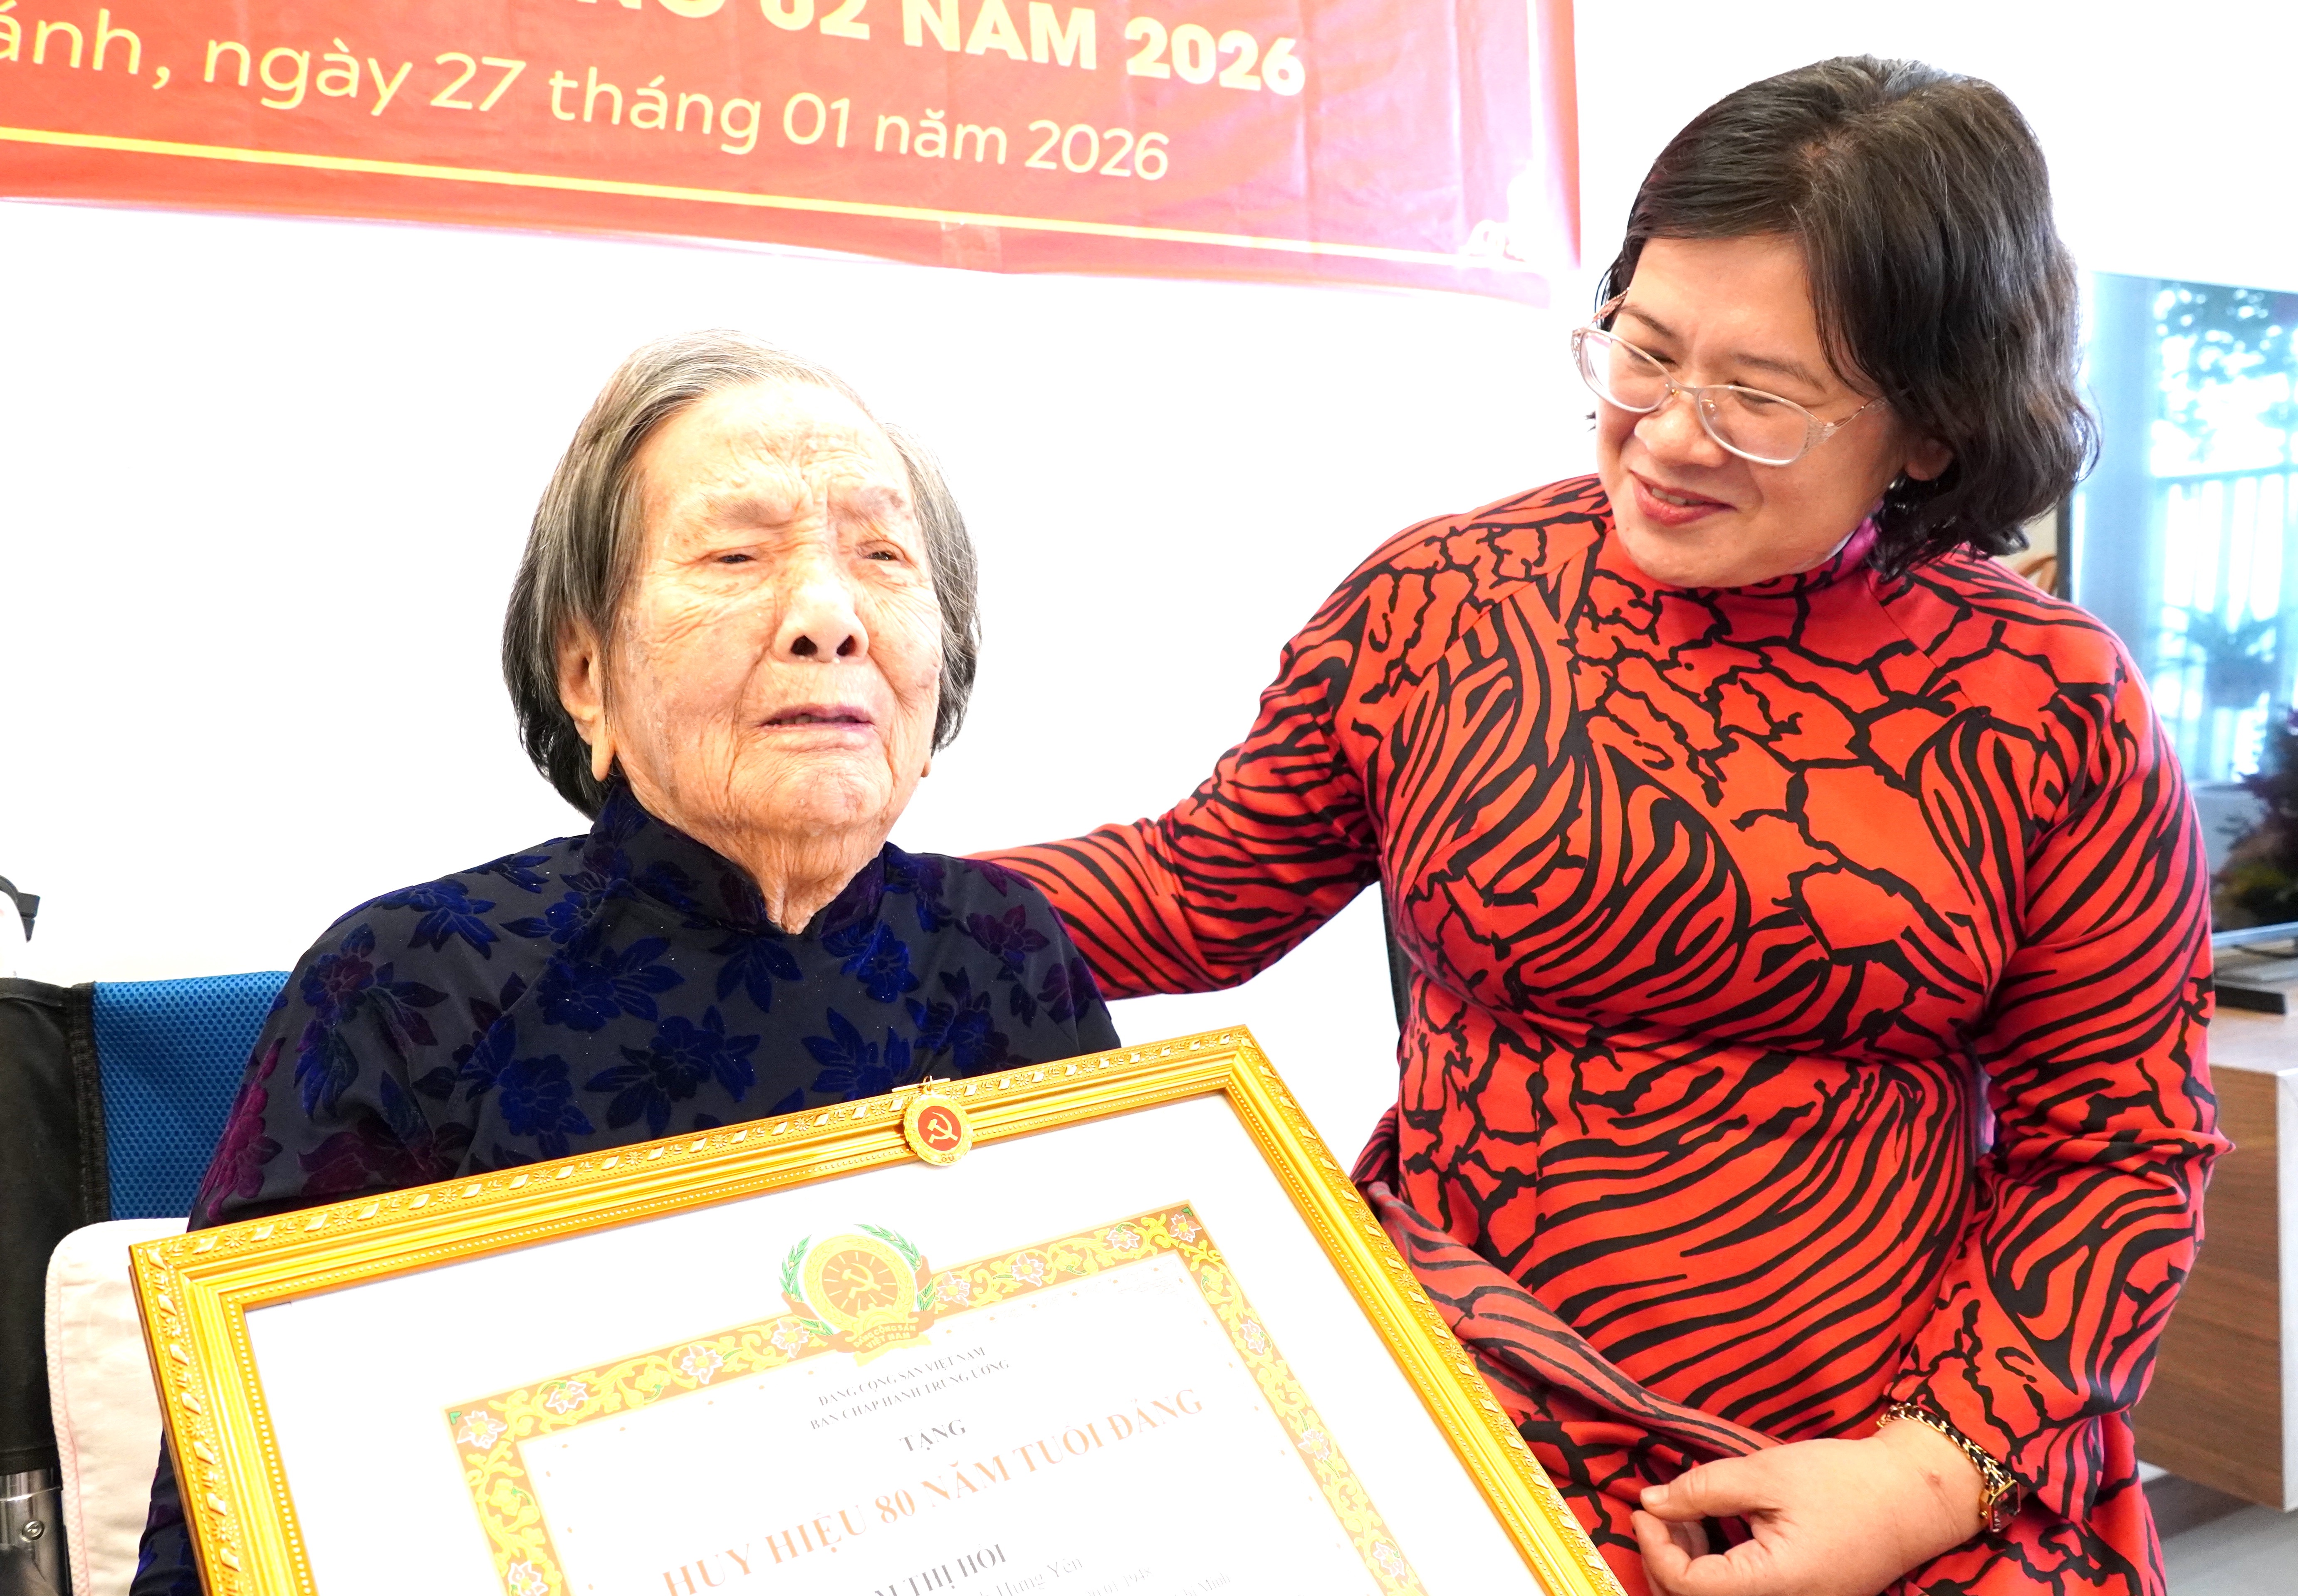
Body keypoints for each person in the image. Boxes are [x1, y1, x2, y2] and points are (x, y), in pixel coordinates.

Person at [988, 58, 2220, 1596]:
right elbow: (1196, 888)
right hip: (1472, 1395)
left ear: (1929, 431)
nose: (1670, 436)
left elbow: (2118, 1146)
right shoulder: (1445, 601)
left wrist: (1918, 1480)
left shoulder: (2051, 700)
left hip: (1895, 1439)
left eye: (1760, 398)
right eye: (1643, 349)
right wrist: (834, 890)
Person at [131, 332, 1118, 1592]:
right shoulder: (410, 984)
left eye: (884, 557)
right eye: (736, 556)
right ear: (585, 673)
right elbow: (242, 1524)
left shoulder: (1003, 947)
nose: (829, 618)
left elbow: (1114, 1368)